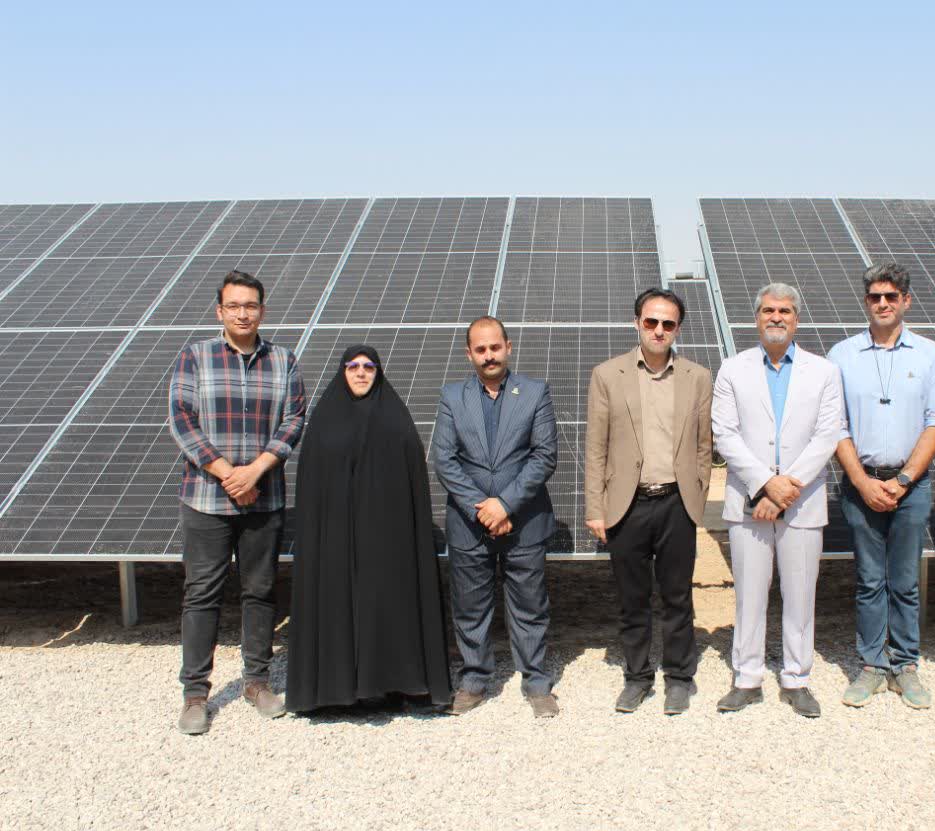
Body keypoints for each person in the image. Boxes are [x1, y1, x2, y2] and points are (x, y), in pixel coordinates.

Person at [168, 269, 306, 735]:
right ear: (220, 311)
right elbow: (182, 420)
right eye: (234, 306)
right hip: (206, 498)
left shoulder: (283, 360)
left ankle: (256, 682)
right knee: (201, 593)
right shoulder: (195, 357)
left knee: (260, 591)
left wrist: (256, 470)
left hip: (263, 499)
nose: (243, 314)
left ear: (262, 311)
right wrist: (229, 473)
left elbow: (294, 420)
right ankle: (195, 694)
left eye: (250, 306)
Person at [286, 345, 452, 714]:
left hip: (387, 537)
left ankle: (393, 685)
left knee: (386, 604)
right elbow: (312, 484)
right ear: (342, 372)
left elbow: (412, 483)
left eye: (369, 367)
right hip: (335, 537)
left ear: (378, 372)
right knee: (338, 604)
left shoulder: (396, 419)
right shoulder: (324, 421)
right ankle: (336, 691)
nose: (361, 373)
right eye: (353, 366)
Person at [711, 283, 846, 718]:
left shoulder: (824, 371)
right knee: (749, 595)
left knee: (800, 595)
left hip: (802, 502)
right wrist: (766, 484)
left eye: (785, 311)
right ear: (756, 318)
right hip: (749, 500)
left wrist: (787, 486)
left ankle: (796, 678)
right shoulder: (732, 369)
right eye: (768, 310)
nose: (776, 317)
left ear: (796, 319)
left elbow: (827, 435)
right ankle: (747, 678)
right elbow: (725, 434)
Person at [585, 288, 713, 715]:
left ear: (678, 328)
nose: (659, 330)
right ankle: (637, 677)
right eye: (651, 321)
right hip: (628, 505)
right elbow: (596, 448)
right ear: (637, 323)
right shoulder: (607, 375)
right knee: (632, 600)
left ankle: (679, 678)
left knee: (678, 598)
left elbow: (703, 445)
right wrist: (596, 508)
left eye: (668, 323)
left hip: (677, 503)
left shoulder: (698, 377)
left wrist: (697, 495)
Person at [829, 263, 935, 711]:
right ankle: (871, 665)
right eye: (875, 297)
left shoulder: (929, 355)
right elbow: (835, 424)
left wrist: (902, 481)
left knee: (904, 580)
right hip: (860, 483)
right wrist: (862, 482)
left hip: (910, 486)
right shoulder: (842, 354)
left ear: (905, 301)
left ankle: (905, 664)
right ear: (866, 302)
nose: (883, 303)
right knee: (869, 579)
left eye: (891, 296)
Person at [430, 316, 560, 718]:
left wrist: (504, 504)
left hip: (524, 520)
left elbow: (544, 456)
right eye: (481, 349)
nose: (489, 356)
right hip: (469, 523)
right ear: (469, 354)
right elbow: (444, 460)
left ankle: (536, 682)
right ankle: (473, 680)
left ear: (508, 347)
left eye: (495, 347)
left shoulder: (535, 392)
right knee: (470, 605)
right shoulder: (453, 396)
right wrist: (483, 508)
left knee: (529, 604)